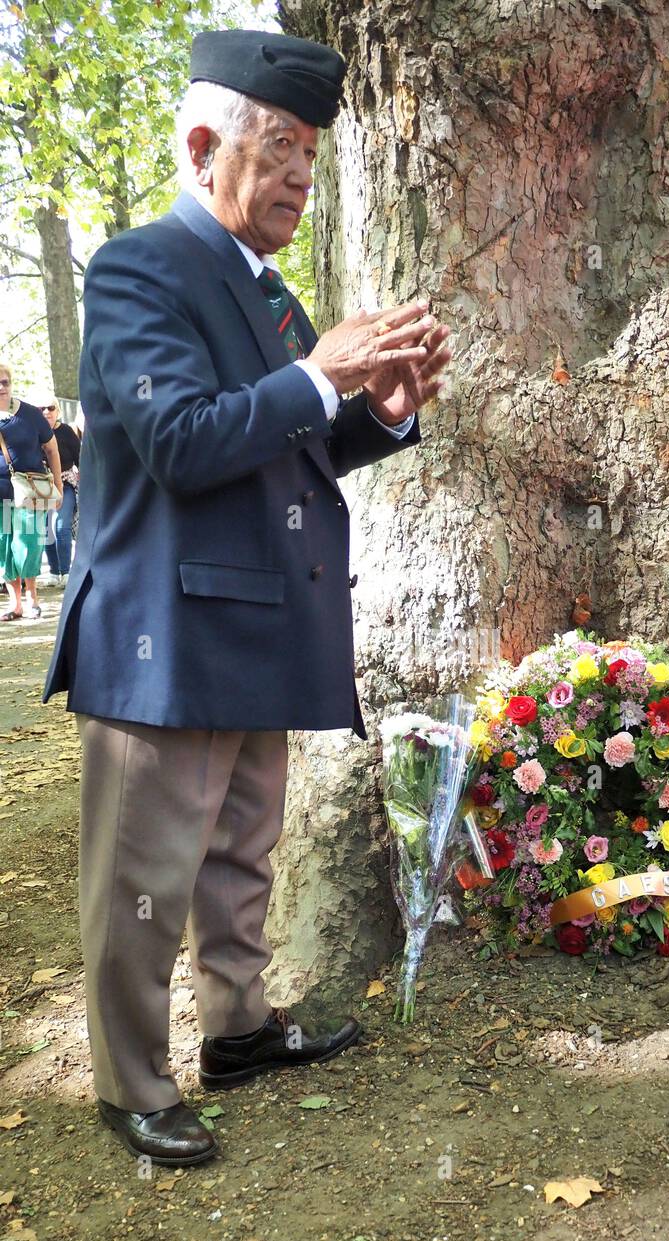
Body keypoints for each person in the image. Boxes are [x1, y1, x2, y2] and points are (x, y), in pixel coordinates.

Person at [42, 29, 452, 1166]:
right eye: (280, 151)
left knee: (239, 855)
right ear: (200, 144)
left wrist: (383, 408)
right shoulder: (138, 269)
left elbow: (290, 448)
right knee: (143, 881)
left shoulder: (269, 296)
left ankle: (237, 1029)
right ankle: (132, 1081)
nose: (300, 179)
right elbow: (178, 440)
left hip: (255, 617)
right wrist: (322, 376)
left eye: (310, 158)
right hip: (160, 633)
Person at [0, 363, 62, 621]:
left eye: (4, 382)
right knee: (5, 546)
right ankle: (15, 604)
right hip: (1, 496)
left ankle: (32, 598)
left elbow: (52, 450)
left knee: (28, 543)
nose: (1, 387)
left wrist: (58, 485)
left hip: (30, 492)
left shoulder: (29, 414)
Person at [41, 394, 80, 582]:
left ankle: (66, 572)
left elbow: (81, 459)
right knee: (46, 530)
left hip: (65, 485)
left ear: (57, 410)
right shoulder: (34, 432)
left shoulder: (66, 432)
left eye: (50, 408)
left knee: (61, 526)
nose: (46, 412)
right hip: (42, 487)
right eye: (41, 409)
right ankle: (54, 572)